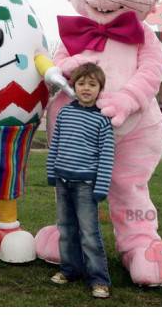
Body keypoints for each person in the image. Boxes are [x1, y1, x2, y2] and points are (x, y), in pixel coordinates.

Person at [46, 62, 114, 298]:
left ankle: (99, 279)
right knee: (66, 229)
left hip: (86, 186)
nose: (86, 88)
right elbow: (55, 144)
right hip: (63, 181)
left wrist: (101, 187)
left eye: (92, 84)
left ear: (100, 89)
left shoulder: (103, 120)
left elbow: (107, 156)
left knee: (89, 233)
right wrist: (51, 171)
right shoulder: (65, 113)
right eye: (82, 83)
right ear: (74, 85)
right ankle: (70, 270)